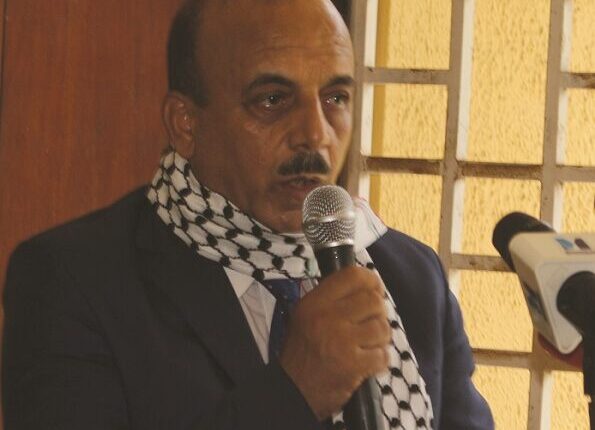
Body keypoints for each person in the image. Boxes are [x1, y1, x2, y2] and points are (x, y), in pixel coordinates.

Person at [2, 0, 493, 428]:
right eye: (273, 100)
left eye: (335, 98)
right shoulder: (75, 282)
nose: (315, 134)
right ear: (186, 124)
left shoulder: (410, 279)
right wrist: (294, 391)